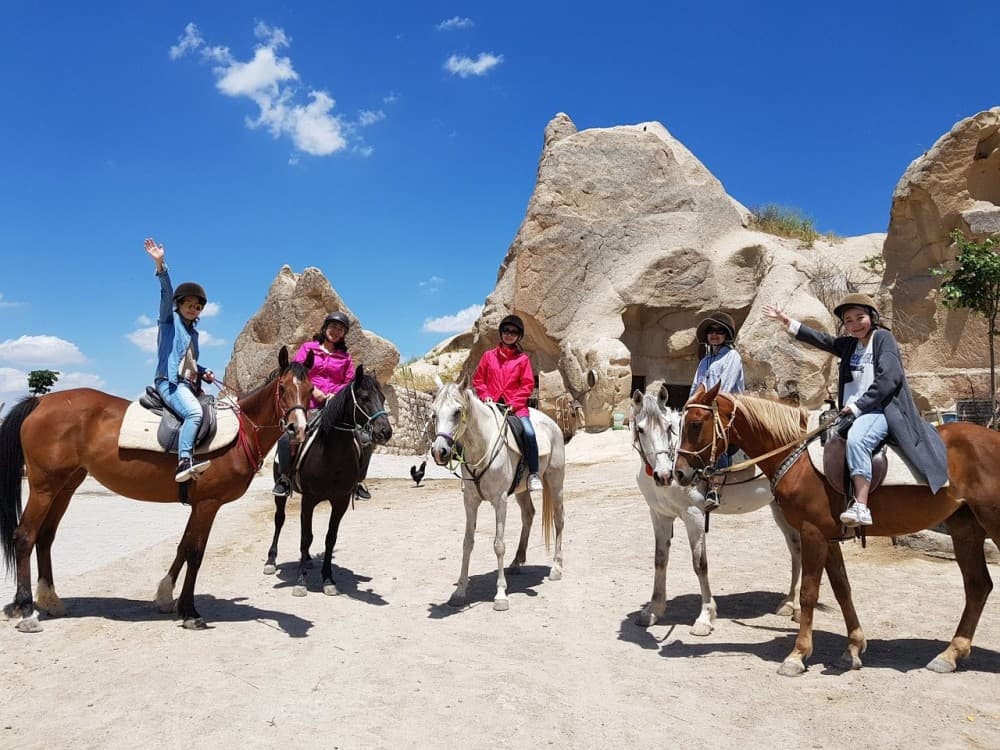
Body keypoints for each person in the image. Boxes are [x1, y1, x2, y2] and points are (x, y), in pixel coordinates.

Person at [763, 294, 949, 527]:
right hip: (852, 411)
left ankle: (861, 505)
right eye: (848, 321)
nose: (855, 324)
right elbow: (822, 339)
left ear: (872, 317)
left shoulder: (883, 338)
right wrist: (786, 321)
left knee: (858, 440)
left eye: (860, 317)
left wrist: (859, 405)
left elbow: (889, 378)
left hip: (880, 410)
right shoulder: (850, 345)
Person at [272, 311, 372, 499]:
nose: (336, 331)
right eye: (333, 326)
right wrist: (315, 390)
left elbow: (349, 381)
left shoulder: (345, 358)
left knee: (365, 439)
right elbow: (296, 373)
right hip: (308, 404)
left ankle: (358, 481)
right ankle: (284, 478)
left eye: (341, 329)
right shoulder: (308, 348)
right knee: (286, 437)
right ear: (325, 328)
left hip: (336, 407)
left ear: (344, 334)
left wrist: (337, 395)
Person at [146, 237, 216, 482]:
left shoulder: (193, 334)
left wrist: (204, 371)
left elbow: (189, 362)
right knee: (195, 414)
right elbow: (165, 293)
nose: (193, 309)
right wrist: (160, 265)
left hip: (187, 383)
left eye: (197, 307)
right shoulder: (169, 322)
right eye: (188, 304)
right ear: (179, 304)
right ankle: (184, 461)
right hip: (169, 382)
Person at [472, 314, 543, 493]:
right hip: (491, 405)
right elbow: (479, 380)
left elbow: (527, 385)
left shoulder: (523, 360)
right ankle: (468, 471)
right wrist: (485, 395)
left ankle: (533, 473)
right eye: (506, 330)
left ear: (518, 336)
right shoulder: (488, 357)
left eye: (514, 332)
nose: (509, 334)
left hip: (515, 408)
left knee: (528, 432)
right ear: (501, 333)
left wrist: (513, 402)